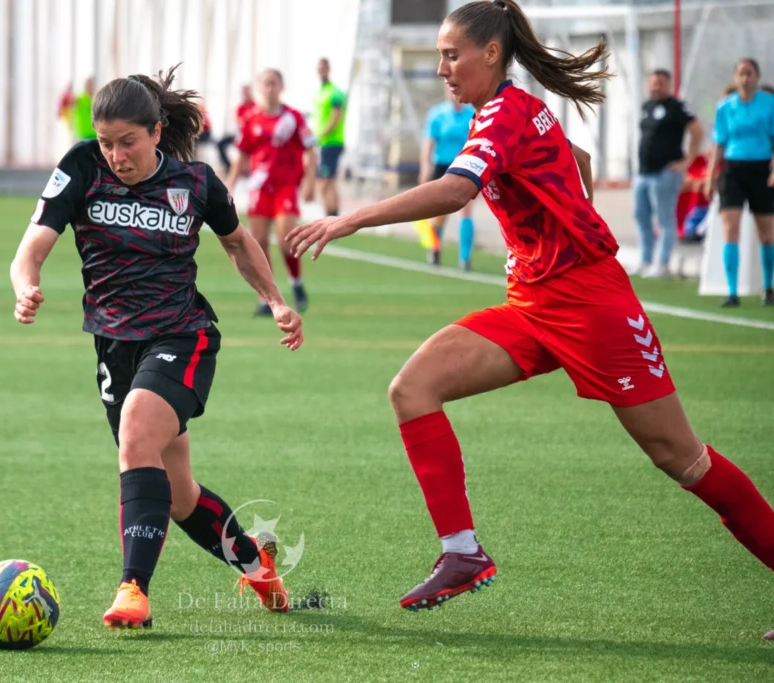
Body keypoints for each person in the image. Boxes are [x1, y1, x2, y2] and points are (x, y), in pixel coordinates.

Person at [288, 0, 774, 636]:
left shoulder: (506, 111)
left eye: (451, 54)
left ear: (492, 54)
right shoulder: (509, 110)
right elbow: (579, 160)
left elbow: (457, 191)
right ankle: (462, 552)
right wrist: (560, 232)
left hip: (593, 306)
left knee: (682, 458)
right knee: (413, 388)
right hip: (535, 304)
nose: (442, 69)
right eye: (438, 55)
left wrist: (348, 217)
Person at [9, 67, 305, 630]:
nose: (116, 155)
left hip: (181, 334)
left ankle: (133, 591)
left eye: (128, 142)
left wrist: (276, 301)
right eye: (106, 142)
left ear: (156, 131)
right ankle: (256, 563)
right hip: (113, 344)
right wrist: (27, 285)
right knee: (176, 495)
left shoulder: (195, 183)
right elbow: (33, 246)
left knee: (136, 433)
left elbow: (239, 243)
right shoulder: (81, 167)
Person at [226, 69, 317, 316]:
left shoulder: (293, 118)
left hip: (286, 186)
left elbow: (310, 149)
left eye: (274, 83)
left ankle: (296, 282)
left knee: (287, 239)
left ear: (281, 86)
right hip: (259, 187)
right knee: (258, 243)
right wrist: (230, 184)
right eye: (265, 84)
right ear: (259, 88)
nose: (270, 88)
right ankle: (266, 299)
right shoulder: (251, 119)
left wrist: (310, 181)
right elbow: (242, 155)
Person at [704, 58, 774, 307]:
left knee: (766, 230)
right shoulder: (725, 107)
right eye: (741, 73)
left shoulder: (770, 104)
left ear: (757, 76)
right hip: (733, 169)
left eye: (750, 73)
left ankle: (769, 286)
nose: (745, 78)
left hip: (761, 168)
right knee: (730, 227)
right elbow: (719, 143)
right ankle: (732, 291)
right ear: (735, 77)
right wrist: (711, 175)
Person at [634, 69, 704, 278]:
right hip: (643, 172)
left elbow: (697, 130)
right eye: (654, 83)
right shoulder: (647, 106)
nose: (656, 87)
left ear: (669, 85)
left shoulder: (677, 107)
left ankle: (662, 263)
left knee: (664, 218)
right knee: (641, 216)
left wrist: (686, 161)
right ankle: (645, 260)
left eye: (661, 83)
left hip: (665, 172)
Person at [419, 97, 477, 268]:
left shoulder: (471, 114)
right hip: (442, 167)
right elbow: (428, 142)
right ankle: (435, 249)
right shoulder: (438, 114)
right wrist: (425, 168)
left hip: (465, 166)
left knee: (466, 211)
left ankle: (465, 258)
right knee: (440, 214)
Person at [314, 58, 347, 217]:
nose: (321, 70)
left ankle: (330, 215)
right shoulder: (321, 91)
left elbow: (336, 117)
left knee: (324, 181)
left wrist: (322, 134)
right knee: (330, 182)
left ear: (329, 69)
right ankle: (332, 215)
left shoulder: (335, 92)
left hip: (332, 142)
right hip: (324, 143)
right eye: (319, 67)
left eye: (324, 67)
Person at [216, 84, 255, 174]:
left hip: (251, 136)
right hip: (240, 134)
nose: (245, 94)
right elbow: (239, 123)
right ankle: (228, 168)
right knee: (220, 143)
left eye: (247, 92)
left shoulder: (256, 106)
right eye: (243, 93)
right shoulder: (240, 107)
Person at [70, 77, 98, 142]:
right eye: (87, 84)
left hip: (95, 133)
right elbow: (71, 105)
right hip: (82, 134)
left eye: (90, 84)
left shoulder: (96, 98)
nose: (89, 86)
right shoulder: (79, 99)